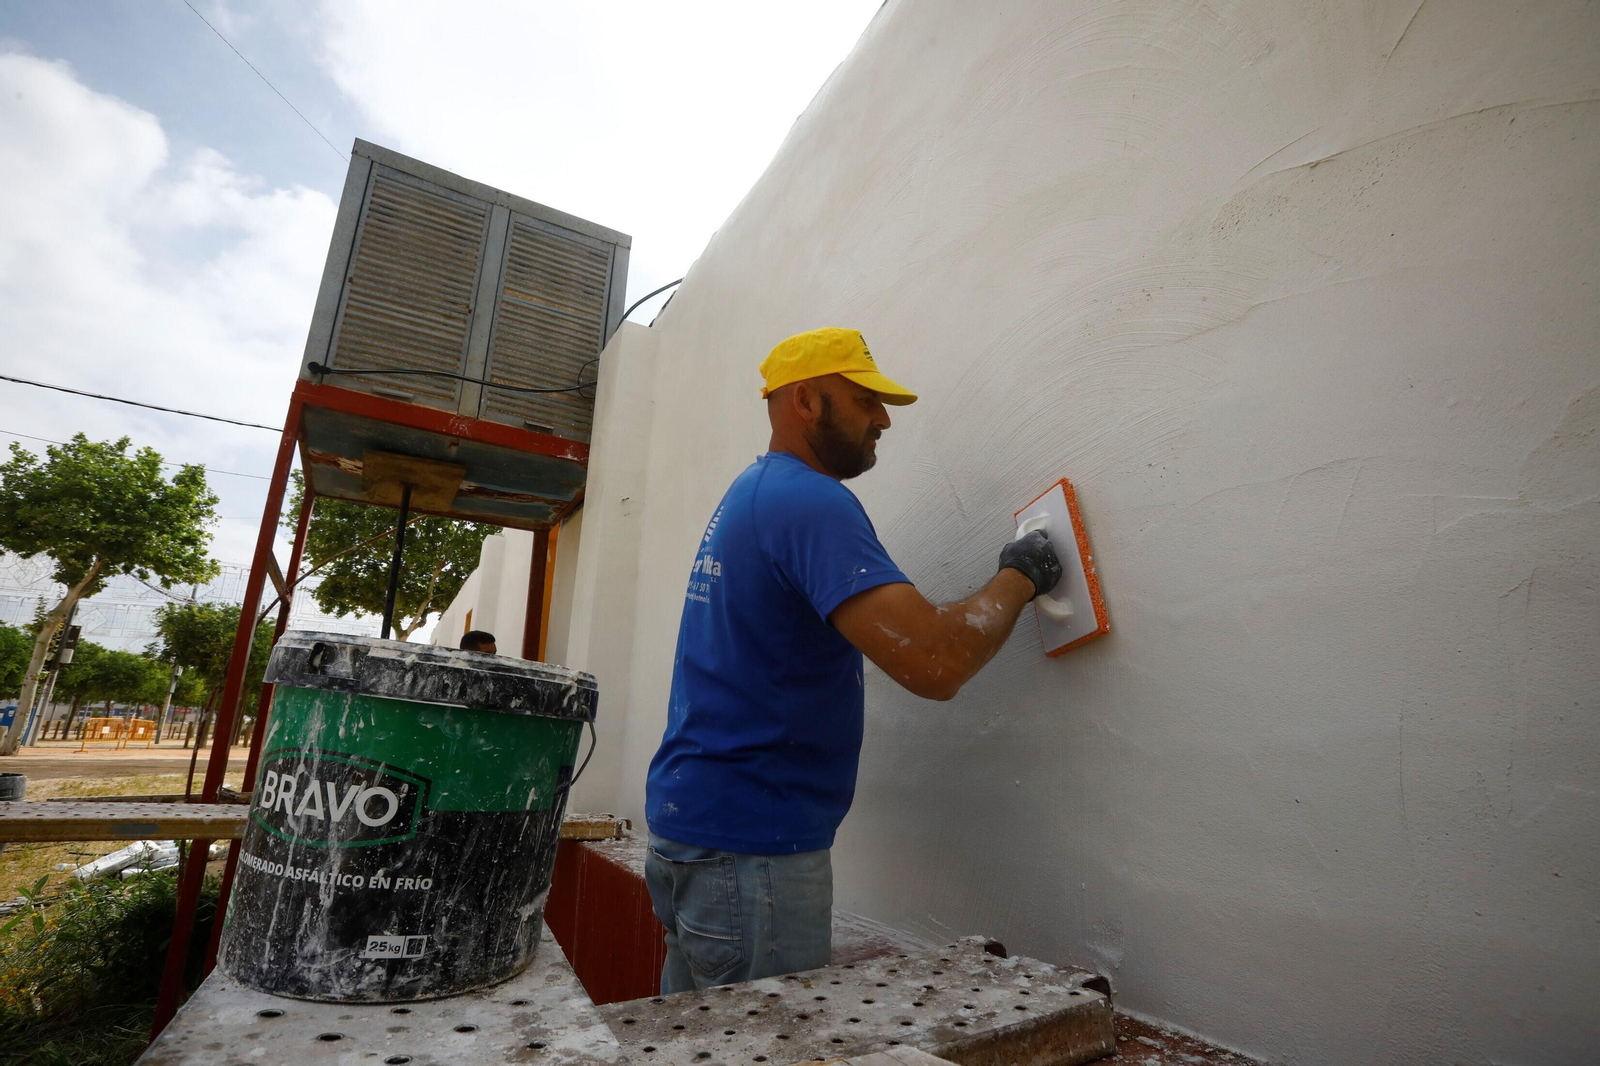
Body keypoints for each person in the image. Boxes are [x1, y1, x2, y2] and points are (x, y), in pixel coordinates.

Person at [644, 327, 1063, 993]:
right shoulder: (810, 502)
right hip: (752, 856)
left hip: (700, 836)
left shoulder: (755, 493)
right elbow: (935, 663)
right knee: (769, 1050)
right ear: (806, 401)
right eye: (866, 400)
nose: (883, 420)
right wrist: (1021, 574)